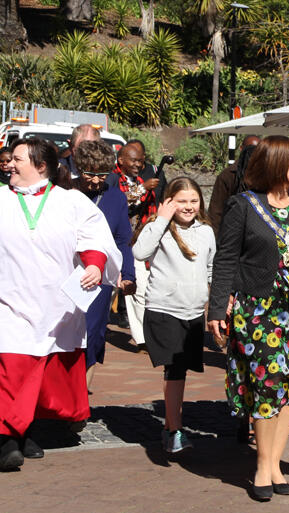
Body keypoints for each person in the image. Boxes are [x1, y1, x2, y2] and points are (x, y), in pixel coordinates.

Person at [208, 135, 289, 501]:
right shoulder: (242, 205)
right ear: (274, 162)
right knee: (265, 384)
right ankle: (261, 465)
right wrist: (217, 310)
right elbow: (226, 258)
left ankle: (276, 463)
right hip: (257, 309)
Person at [0, 138, 121, 471]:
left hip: (56, 305)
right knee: (13, 367)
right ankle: (7, 440)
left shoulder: (71, 201)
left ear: (41, 166)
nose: (10, 164)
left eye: (18, 159)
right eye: (10, 159)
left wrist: (95, 264)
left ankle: (26, 432)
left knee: (42, 373)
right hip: (9, 301)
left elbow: (94, 239)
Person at [132, 177, 216, 453]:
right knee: (173, 367)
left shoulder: (206, 231)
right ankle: (175, 429)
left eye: (194, 201)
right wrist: (161, 218)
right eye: (182, 201)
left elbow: (212, 268)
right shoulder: (160, 228)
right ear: (170, 201)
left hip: (193, 310)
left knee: (181, 370)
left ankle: (170, 427)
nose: (189, 206)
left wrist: (217, 300)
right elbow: (140, 251)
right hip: (163, 308)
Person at [73, 140, 136, 390]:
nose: (97, 181)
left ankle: (81, 398)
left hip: (99, 281)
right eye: (90, 174)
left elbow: (123, 240)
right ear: (79, 168)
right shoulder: (65, 192)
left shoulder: (115, 198)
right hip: (65, 273)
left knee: (92, 336)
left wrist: (127, 274)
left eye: (103, 174)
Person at [114, 143, 160, 349]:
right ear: (121, 160)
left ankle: (142, 338)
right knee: (109, 290)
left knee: (139, 289)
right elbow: (118, 202)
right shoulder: (112, 179)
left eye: (141, 161)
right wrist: (142, 189)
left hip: (137, 242)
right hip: (117, 243)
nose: (138, 164)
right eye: (133, 160)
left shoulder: (141, 180)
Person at [209, 135, 261, 234]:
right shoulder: (228, 175)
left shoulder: (266, 175)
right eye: (249, 150)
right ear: (241, 149)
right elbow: (216, 212)